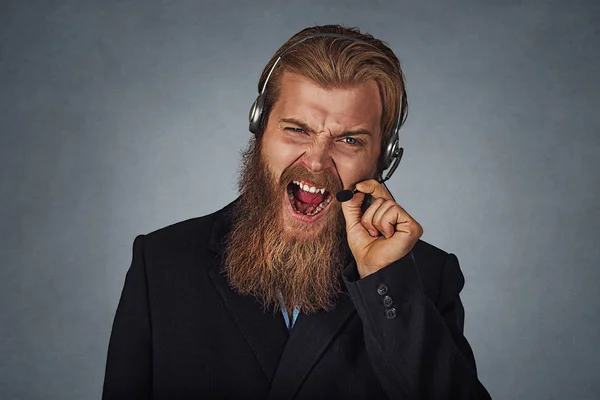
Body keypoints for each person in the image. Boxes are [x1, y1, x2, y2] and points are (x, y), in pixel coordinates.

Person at [102, 24, 492, 399]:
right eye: (297, 129)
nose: (317, 160)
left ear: (383, 161)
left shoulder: (422, 277)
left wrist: (382, 280)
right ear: (260, 128)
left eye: (350, 139)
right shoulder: (161, 262)